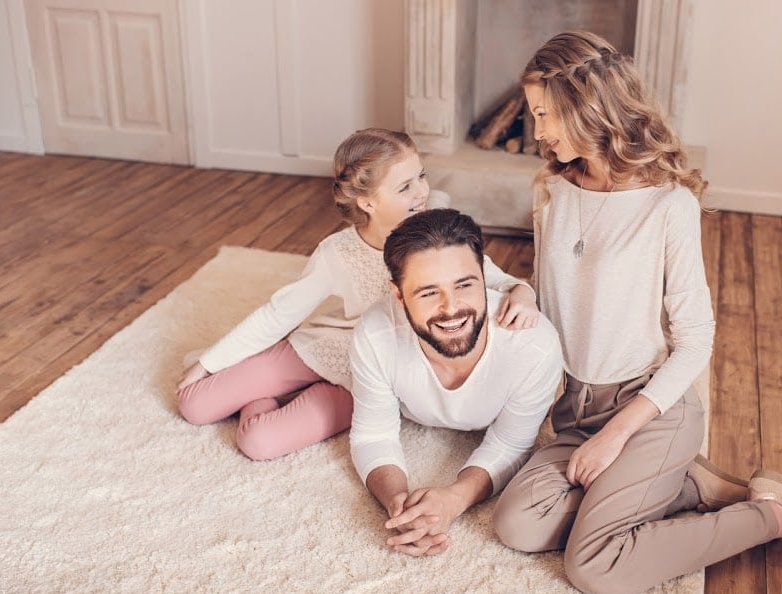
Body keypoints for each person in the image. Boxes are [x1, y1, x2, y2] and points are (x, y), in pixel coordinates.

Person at [491, 31, 782, 594]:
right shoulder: (551, 188)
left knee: (595, 567)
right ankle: (687, 482)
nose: (537, 130)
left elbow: (696, 340)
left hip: (647, 410)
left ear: (587, 104)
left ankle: (775, 517)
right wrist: (522, 292)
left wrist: (616, 438)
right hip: (574, 410)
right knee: (517, 524)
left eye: (545, 114)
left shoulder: (668, 204)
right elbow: (553, 288)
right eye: (534, 114)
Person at [177, 128, 540, 461]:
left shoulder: (436, 233)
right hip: (317, 346)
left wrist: (523, 292)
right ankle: (259, 385)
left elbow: (497, 279)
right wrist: (208, 363)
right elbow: (278, 314)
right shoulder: (336, 253)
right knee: (193, 404)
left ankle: (261, 399)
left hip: (367, 373)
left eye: (422, 177)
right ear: (367, 202)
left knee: (258, 442)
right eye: (404, 187)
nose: (421, 192)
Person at [349, 208, 564, 556]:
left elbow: (511, 444)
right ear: (399, 294)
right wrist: (399, 506)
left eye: (464, 285)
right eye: (428, 292)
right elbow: (373, 434)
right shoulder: (374, 334)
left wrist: (454, 499)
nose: (452, 308)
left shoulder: (534, 345)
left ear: (484, 276)